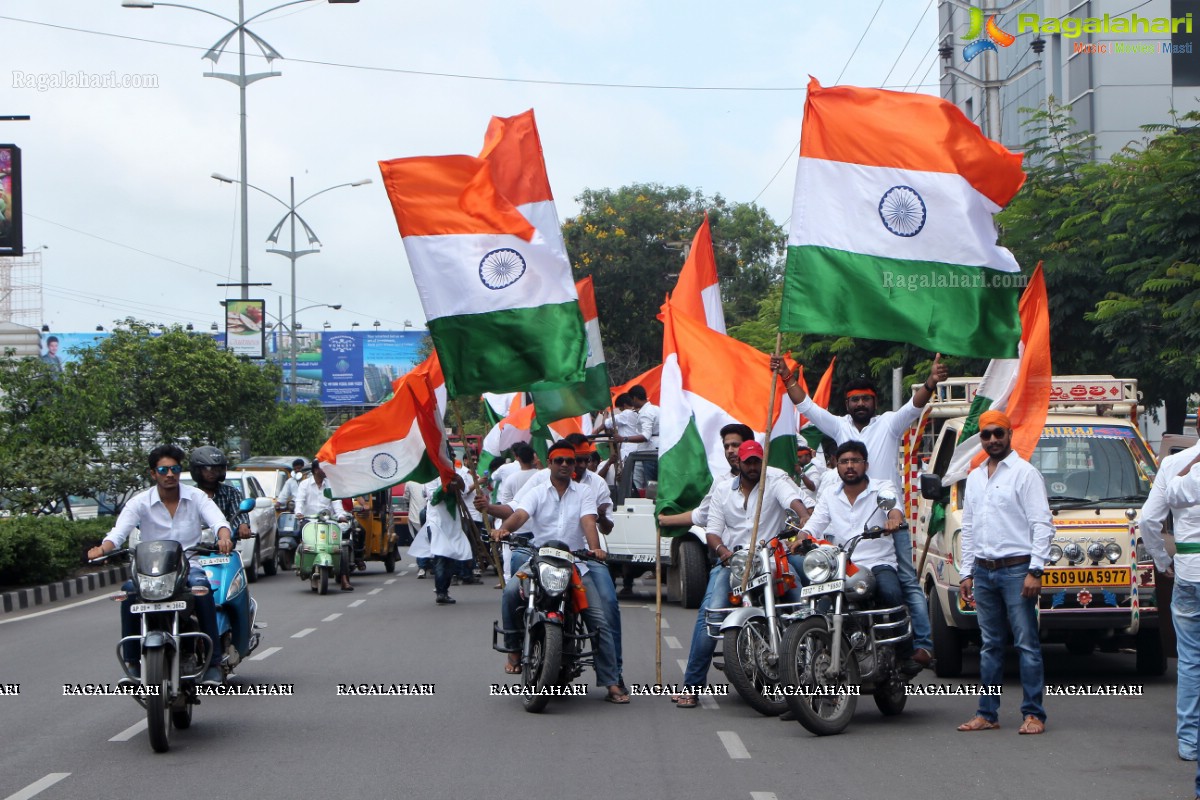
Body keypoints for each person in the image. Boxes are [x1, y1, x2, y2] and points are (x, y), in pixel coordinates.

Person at [772, 356, 947, 668]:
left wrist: (932, 381)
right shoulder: (838, 428)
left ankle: (921, 645)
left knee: (904, 584)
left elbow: (914, 406)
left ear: (874, 402)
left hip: (888, 525)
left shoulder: (889, 424)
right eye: (855, 400)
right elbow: (807, 406)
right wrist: (787, 378)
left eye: (866, 398)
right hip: (846, 540)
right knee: (821, 595)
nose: (861, 404)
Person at [676, 439, 810, 708]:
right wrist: (723, 552)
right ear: (739, 463)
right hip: (734, 562)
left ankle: (814, 676)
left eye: (756, 462)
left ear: (762, 462)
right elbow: (712, 531)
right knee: (710, 615)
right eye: (747, 461)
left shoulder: (774, 481)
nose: (752, 466)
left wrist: (804, 517)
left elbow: (794, 501)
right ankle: (691, 686)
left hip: (773, 559)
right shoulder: (722, 490)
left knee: (806, 605)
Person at [493, 440, 628, 703]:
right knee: (510, 592)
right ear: (550, 463)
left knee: (599, 620)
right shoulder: (537, 491)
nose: (565, 465)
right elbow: (520, 515)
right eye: (559, 461)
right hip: (539, 559)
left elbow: (589, 521)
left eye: (569, 460)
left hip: (575, 564)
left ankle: (611, 681)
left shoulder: (584, 492)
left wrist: (595, 548)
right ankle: (514, 650)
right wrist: (504, 529)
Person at [87, 444, 232, 687]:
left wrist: (224, 536)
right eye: (163, 470)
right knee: (129, 591)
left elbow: (218, 521)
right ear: (153, 474)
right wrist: (102, 549)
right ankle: (133, 663)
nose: (169, 475)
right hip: (150, 572)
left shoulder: (196, 497)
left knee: (203, 590)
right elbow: (119, 533)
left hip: (188, 567)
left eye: (174, 469)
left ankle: (213, 663)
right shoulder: (140, 502)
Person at [954, 410, 1053, 735]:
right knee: (990, 645)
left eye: (999, 433)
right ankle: (987, 713)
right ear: (980, 439)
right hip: (983, 572)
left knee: (1026, 644)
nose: (993, 440)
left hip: (1017, 570)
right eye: (987, 435)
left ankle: (1034, 714)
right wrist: (966, 573)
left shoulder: (1025, 474)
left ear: (1010, 434)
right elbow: (968, 528)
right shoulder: (976, 476)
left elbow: (1042, 524)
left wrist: (1035, 570)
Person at [796, 441, 920, 675]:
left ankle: (904, 655)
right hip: (843, 566)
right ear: (837, 466)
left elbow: (893, 507)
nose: (850, 466)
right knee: (819, 608)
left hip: (878, 562)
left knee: (891, 593)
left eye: (855, 461)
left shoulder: (881, 487)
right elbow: (815, 523)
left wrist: (893, 519)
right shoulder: (830, 496)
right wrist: (801, 537)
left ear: (866, 465)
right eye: (844, 462)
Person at [1146, 442, 1200, 761]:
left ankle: (1189, 742)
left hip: (1189, 572)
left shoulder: (1174, 464)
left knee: (1191, 661)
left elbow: (1148, 521)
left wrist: (1161, 559)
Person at [295, 459, 354, 591]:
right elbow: (299, 501)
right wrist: (299, 513)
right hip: (310, 521)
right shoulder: (304, 484)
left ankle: (344, 578)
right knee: (303, 538)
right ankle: (304, 565)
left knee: (340, 546)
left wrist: (341, 516)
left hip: (329, 521)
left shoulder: (330, 485)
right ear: (316, 470)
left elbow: (336, 503)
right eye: (324, 468)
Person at [188, 446, 254, 545]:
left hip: (225, 549)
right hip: (193, 551)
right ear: (197, 470)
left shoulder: (231, 493)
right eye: (207, 468)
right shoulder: (190, 495)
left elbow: (238, 513)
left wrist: (243, 526)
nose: (212, 472)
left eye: (217, 468)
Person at [426, 474, 474, 605]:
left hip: (453, 523)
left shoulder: (454, 474)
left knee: (451, 558)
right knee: (440, 556)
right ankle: (441, 592)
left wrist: (458, 483)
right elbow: (433, 497)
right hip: (436, 522)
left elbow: (464, 493)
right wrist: (445, 486)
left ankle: (444, 590)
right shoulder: (430, 478)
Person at [617, 385, 659, 488]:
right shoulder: (656, 408)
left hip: (649, 452)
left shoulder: (645, 413)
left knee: (651, 487)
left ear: (635, 398)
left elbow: (646, 435)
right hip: (660, 450)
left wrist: (624, 439)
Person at [795, 442, 826, 507]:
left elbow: (813, 487)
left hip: (812, 505)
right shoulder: (804, 469)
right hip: (803, 503)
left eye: (800, 457)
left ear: (808, 456)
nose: (798, 460)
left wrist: (800, 473)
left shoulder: (813, 468)